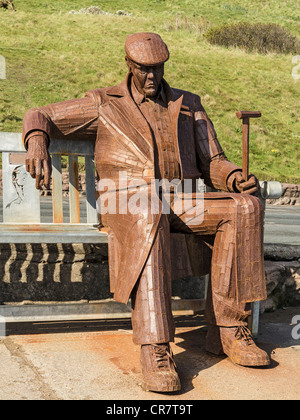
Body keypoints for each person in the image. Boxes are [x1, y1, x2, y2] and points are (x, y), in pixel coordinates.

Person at [22, 32, 270, 393]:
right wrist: (36, 139)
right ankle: (155, 347)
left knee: (245, 208)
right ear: (129, 65)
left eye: (158, 68)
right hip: (128, 200)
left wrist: (233, 177)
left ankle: (229, 329)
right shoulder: (103, 103)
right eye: (144, 70)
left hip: (181, 197)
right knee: (150, 210)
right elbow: (40, 114)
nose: (152, 77)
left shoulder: (189, 105)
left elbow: (213, 160)